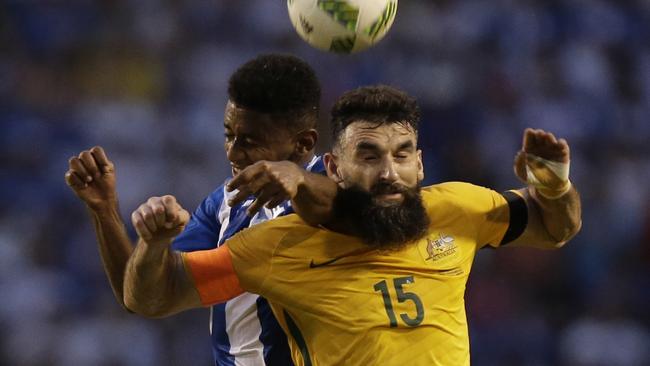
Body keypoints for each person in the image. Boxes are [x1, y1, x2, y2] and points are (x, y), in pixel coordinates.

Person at [123, 85, 582, 365]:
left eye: (402, 154)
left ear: (420, 164)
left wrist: (554, 185)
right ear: (334, 167)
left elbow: (555, 228)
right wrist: (154, 244)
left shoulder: (457, 208)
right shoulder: (277, 246)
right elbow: (155, 297)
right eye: (369, 155)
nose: (389, 172)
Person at [65, 54, 337, 365]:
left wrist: (300, 180)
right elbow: (145, 297)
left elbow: (352, 202)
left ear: (303, 144)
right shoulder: (224, 203)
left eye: (250, 141)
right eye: (229, 135)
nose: (233, 152)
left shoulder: (338, 195)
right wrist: (112, 216)